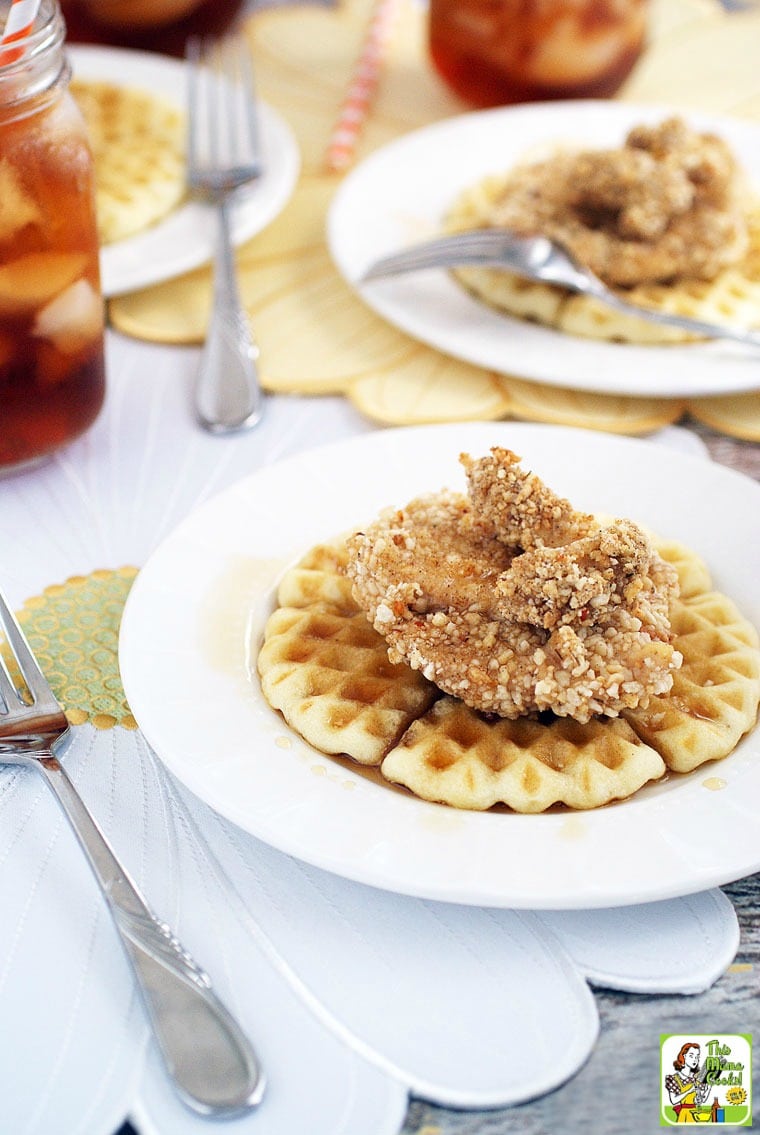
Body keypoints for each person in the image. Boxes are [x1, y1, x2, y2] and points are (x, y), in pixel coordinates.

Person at [665, 1042, 710, 1123]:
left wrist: (709, 1087)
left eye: (697, 1057)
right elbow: (674, 1101)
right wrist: (689, 1091)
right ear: (684, 1056)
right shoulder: (673, 1079)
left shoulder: (697, 1078)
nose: (695, 1060)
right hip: (684, 1115)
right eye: (691, 1056)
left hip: (696, 1114)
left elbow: (701, 1100)